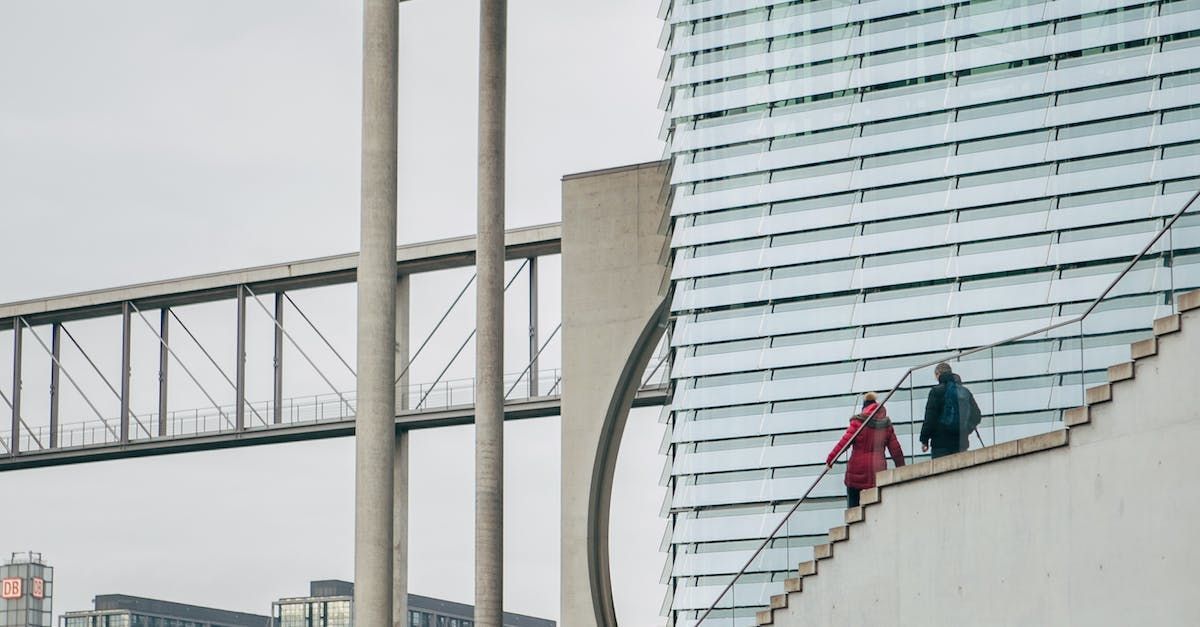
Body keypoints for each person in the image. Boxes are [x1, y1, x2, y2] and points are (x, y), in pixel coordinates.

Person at [825, 392, 906, 508]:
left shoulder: (858, 422)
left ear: (864, 407)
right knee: (875, 508)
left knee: (853, 508)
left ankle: (853, 523)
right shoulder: (886, 424)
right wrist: (901, 468)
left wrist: (830, 460)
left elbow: (844, 443)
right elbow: (896, 450)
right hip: (877, 472)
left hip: (856, 471)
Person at [919, 362, 983, 459]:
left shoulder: (936, 391)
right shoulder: (964, 391)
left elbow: (930, 418)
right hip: (960, 443)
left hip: (940, 444)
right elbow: (977, 415)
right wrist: (965, 430)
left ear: (938, 374)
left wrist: (924, 439)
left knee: (942, 473)